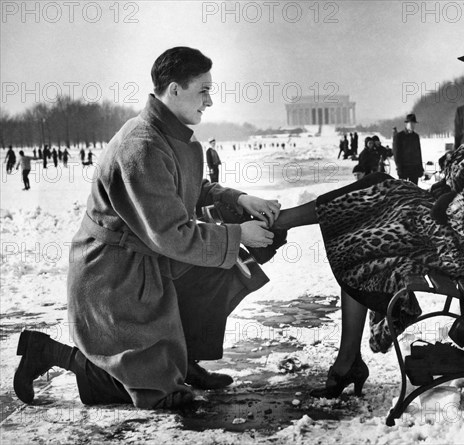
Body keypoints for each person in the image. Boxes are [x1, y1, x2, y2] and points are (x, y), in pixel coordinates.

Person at [269, 34, 464, 398]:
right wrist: (441, 197)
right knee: (377, 191)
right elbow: (458, 181)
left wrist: (441, 207)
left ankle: (280, 226)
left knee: (371, 221)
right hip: (457, 233)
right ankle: (347, 357)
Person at [13, 46, 284, 410]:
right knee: (142, 387)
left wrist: (238, 199)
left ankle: (181, 362)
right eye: (203, 90)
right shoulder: (141, 145)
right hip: (113, 276)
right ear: (174, 90)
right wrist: (238, 236)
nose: (210, 101)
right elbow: (172, 233)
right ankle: (47, 351)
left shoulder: (166, 134)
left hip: (147, 259)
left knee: (219, 275)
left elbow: (184, 190)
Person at [393, 114, 424, 184]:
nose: (413, 125)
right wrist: (399, 167)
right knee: (404, 191)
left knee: (414, 191)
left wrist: (420, 167)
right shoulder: (399, 136)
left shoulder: (416, 136)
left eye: (414, 123)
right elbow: (396, 153)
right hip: (404, 168)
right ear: (406, 124)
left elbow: (418, 153)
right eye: (411, 123)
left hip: (414, 168)